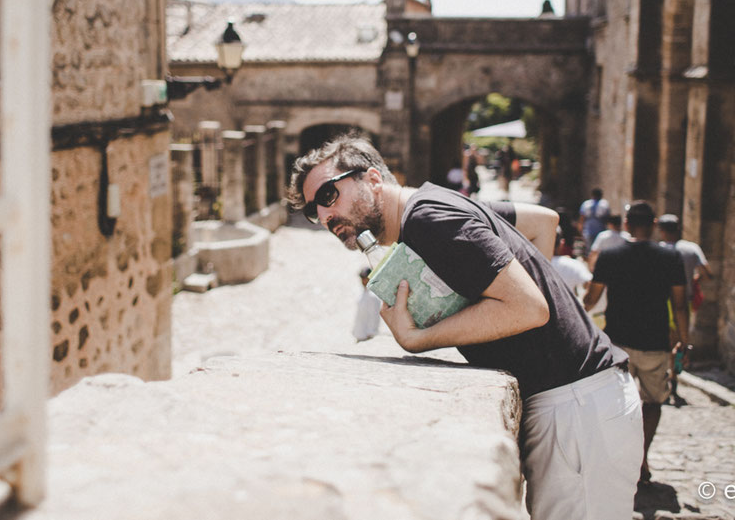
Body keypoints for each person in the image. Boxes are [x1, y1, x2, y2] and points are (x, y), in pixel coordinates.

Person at [288, 135, 642, 519]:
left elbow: (529, 309)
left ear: (372, 179)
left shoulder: (428, 221)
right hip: (578, 401)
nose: (324, 217)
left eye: (328, 196)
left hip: (574, 407)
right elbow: (544, 223)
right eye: (313, 211)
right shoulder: (437, 202)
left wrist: (415, 338)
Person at [583, 200, 688, 489]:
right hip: (655, 343)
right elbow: (680, 305)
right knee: (653, 402)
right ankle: (642, 459)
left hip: (619, 343)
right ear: (654, 225)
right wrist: (685, 341)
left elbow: (591, 299)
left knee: (618, 403)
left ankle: (621, 458)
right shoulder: (671, 258)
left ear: (626, 224)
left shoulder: (610, 255)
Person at [657, 213, 711, 404]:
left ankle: (661, 381)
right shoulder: (691, 248)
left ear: (661, 230)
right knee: (679, 345)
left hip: (662, 302)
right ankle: (674, 380)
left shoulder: (659, 250)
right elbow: (707, 273)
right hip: (684, 303)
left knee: (665, 344)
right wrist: (694, 280)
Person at [352, 266, 383, 342]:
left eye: (365, 278)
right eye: (362, 278)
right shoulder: (362, 292)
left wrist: (371, 333)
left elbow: (375, 315)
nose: (363, 281)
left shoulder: (373, 295)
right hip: (359, 333)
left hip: (367, 335)